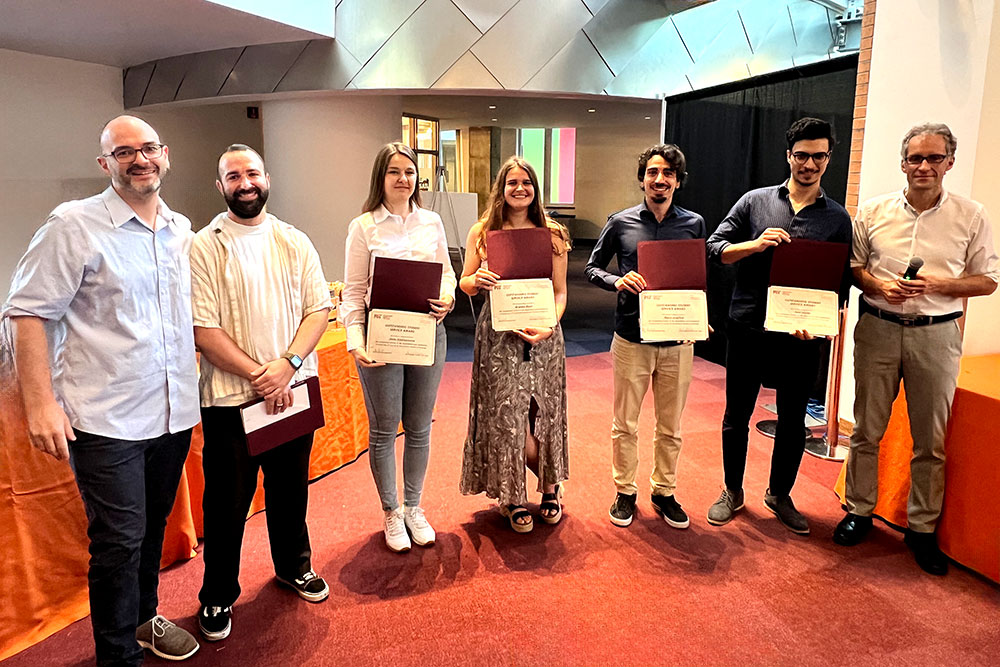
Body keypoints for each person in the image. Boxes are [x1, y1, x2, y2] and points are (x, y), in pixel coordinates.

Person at [2, 115, 200, 665]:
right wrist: (39, 403)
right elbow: (25, 313)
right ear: (104, 163)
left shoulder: (180, 229)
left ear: (166, 155)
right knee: (119, 541)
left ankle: (142, 622)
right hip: (105, 419)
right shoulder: (74, 225)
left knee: (151, 527)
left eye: (149, 149)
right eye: (124, 152)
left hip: (172, 412)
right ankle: (118, 656)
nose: (140, 160)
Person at [833, 123, 998, 575]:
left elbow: (987, 280)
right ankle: (859, 510)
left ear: (950, 162)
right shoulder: (872, 211)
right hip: (879, 328)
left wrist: (940, 284)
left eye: (934, 157)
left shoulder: (972, 215)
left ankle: (922, 529)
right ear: (902, 163)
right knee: (867, 428)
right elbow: (855, 268)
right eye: (915, 158)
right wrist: (878, 285)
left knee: (931, 440)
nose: (924, 166)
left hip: (937, 334)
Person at [189, 144, 332, 641]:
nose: (244, 183)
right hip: (232, 400)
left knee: (291, 488)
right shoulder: (204, 245)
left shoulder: (295, 240)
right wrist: (261, 376)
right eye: (233, 176)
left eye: (252, 173)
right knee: (228, 503)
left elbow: (319, 309)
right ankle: (217, 595)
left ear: (267, 177)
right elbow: (203, 330)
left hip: (292, 392)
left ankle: (294, 566)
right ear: (220, 186)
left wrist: (287, 366)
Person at [705, 117, 852, 535]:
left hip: (800, 335)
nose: (809, 164)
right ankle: (732, 490)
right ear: (788, 156)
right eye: (801, 155)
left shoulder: (837, 219)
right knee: (737, 415)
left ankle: (779, 493)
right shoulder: (754, 202)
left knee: (792, 421)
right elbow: (716, 249)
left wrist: (822, 323)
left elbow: (838, 283)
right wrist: (754, 244)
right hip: (749, 325)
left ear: (828, 158)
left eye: (818, 156)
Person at [341, 142, 456, 552]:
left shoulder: (432, 222)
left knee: (420, 427)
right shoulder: (363, 227)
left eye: (409, 172)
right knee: (385, 429)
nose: (403, 179)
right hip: (382, 335)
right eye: (394, 172)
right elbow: (354, 292)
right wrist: (356, 341)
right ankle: (391, 512)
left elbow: (447, 274)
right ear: (381, 178)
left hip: (427, 330)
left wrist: (449, 297)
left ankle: (414, 507)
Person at [585, 144, 706, 529]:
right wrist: (616, 280)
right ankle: (624, 491)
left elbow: (696, 280)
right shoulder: (620, 222)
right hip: (631, 339)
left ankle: (664, 491)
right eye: (653, 172)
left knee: (671, 426)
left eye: (668, 173)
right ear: (642, 179)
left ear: (677, 181)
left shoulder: (694, 224)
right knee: (626, 423)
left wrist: (699, 319)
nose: (660, 179)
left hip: (676, 343)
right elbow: (591, 268)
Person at [459, 156, 571, 533]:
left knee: (544, 412)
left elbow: (559, 293)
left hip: (544, 338)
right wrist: (479, 278)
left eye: (527, 182)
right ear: (501, 189)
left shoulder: (552, 233)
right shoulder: (483, 231)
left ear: (535, 189)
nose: (520, 188)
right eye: (512, 183)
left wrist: (549, 325)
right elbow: (465, 284)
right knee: (507, 416)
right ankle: (511, 496)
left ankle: (550, 488)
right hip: (498, 337)